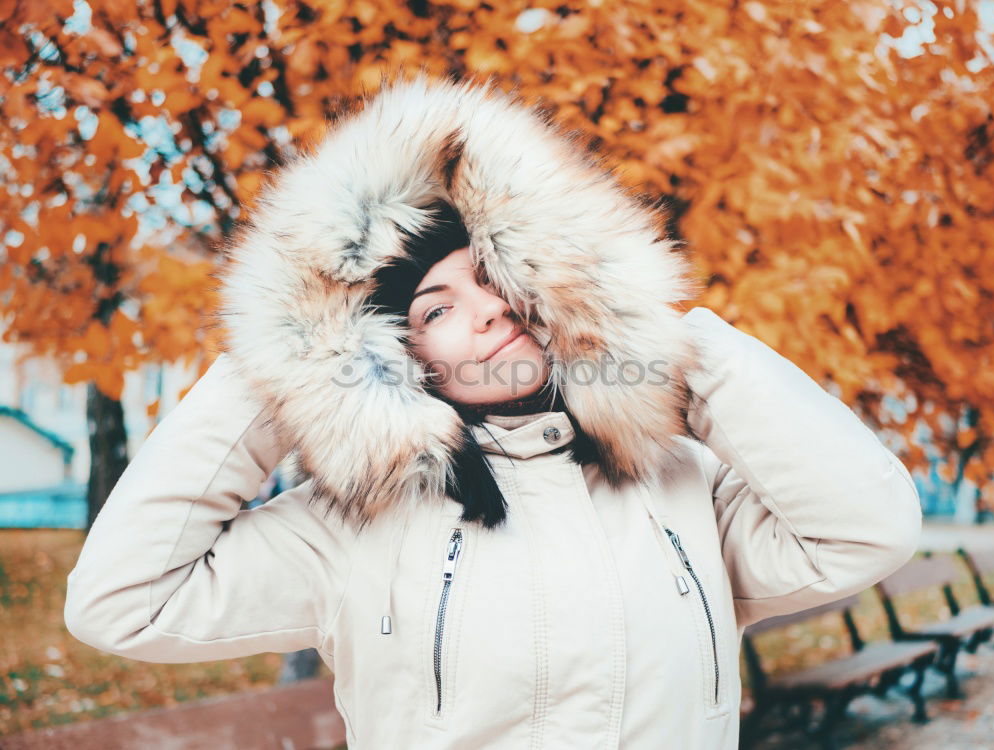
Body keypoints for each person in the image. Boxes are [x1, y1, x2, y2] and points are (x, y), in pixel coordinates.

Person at [64, 74, 922, 749]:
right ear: (387, 355)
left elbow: (868, 526)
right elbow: (120, 604)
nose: (486, 310)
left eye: (496, 277)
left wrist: (673, 348)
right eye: (435, 309)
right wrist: (277, 368)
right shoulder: (345, 530)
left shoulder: (679, 488)